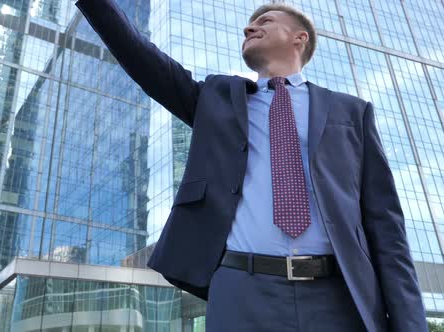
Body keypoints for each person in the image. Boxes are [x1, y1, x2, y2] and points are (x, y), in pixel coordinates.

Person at [75, 0, 428, 331]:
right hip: (241, 289)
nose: (249, 29)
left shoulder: (351, 112)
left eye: (265, 21)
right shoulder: (216, 99)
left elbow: (387, 228)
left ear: (299, 38)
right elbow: (144, 60)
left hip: (338, 295)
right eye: (248, 25)